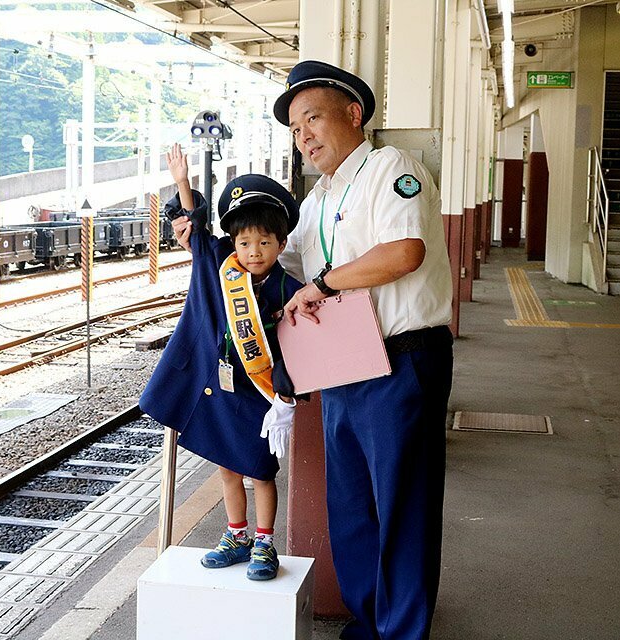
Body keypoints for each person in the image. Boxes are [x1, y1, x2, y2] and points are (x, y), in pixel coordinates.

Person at [272, 60, 454, 639]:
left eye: (313, 119)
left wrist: (324, 285)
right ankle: (370, 622)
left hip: (403, 359)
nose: (304, 136)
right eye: (296, 129)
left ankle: (402, 631)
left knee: (402, 504)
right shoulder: (319, 197)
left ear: (353, 115)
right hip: (343, 362)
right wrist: (211, 238)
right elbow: (283, 261)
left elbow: (404, 252)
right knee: (350, 505)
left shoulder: (391, 168)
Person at [140, 143, 302, 581]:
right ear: (233, 242)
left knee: (260, 469)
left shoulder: (290, 288)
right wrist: (182, 184)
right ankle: (236, 535)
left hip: (260, 395)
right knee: (227, 466)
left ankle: (265, 543)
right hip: (219, 387)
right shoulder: (217, 264)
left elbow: (297, 346)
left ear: (280, 243)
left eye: (264, 242)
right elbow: (193, 229)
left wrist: (287, 395)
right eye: (245, 242)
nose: (253, 251)